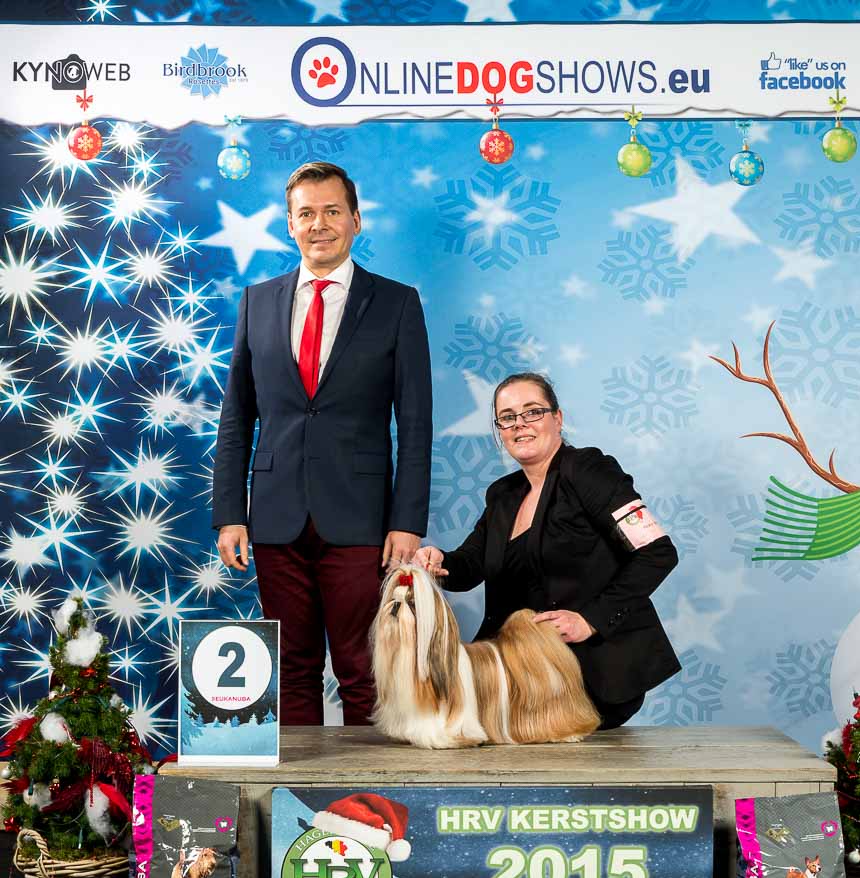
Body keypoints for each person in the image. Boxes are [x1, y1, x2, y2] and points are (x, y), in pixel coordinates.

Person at [212, 161, 432, 726]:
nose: (319, 224)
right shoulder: (257, 301)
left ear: (356, 220)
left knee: (364, 667)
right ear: (290, 224)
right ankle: (302, 783)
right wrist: (230, 514)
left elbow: (415, 422)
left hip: (361, 519)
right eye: (306, 213)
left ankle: (368, 783)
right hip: (274, 517)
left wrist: (407, 522)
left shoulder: (397, 303)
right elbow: (236, 416)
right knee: (291, 668)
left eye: (332, 211)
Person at [414, 372, 680, 729]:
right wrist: (439, 561)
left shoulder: (590, 471)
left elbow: (658, 552)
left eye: (532, 412)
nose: (519, 424)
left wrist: (589, 620)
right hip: (514, 676)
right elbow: (469, 566)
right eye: (507, 417)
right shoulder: (502, 494)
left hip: (586, 676)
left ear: (558, 418)